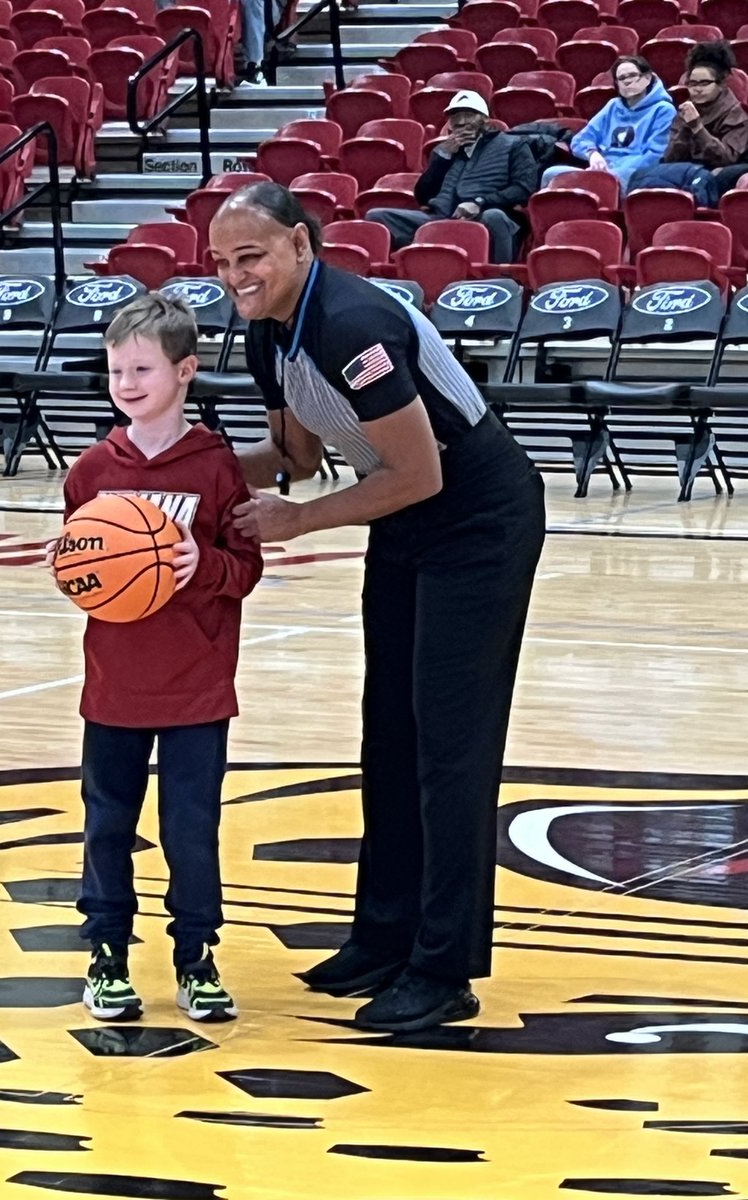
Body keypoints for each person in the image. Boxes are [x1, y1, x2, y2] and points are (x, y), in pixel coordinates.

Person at [208, 183, 546, 1034]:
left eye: (249, 257)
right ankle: (384, 935)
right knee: (388, 732)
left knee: (449, 745)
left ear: (299, 245)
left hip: (475, 515)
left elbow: (421, 473)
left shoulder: (352, 324)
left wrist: (301, 521)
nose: (233, 276)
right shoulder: (266, 333)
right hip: (400, 515)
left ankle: (443, 968)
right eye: (220, 262)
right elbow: (295, 452)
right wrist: (177, 466)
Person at [58, 294, 264, 1024]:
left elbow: (245, 569)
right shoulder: (90, 472)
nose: (128, 382)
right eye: (117, 369)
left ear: (185, 371)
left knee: (190, 828)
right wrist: (85, 569)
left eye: (143, 368)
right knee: (106, 823)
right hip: (114, 682)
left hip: (196, 688)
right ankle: (107, 951)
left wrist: (197, 563)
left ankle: (196, 955)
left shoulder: (216, 469)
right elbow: (82, 573)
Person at [366, 90, 539, 263]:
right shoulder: (443, 151)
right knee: (376, 216)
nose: (462, 122)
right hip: (441, 216)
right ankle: (413, 267)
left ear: (485, 119)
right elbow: (423, 196)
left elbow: (524, 188)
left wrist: (480, 202)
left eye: (469, 115)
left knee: (494, 216)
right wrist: (443, 157)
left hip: (484, 214)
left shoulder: (513, 145)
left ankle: (500, 277)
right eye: (456, 116)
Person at [628, 42, 748, 201]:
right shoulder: (685, 111)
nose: (697, 89)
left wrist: (697, 127)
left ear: (721, 85)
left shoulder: (737, 115)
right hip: (687, 173)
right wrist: (685, 128)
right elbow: (671, 158)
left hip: (720, 176)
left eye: (705, 83)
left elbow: (725, 159)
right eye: (692, 83)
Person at [542, 55, 675, 190]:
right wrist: (593, 154)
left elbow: (655, 155)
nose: (627, 81)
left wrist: (613, 173)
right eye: (622, 78)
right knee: (551, 174)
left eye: (633, 75)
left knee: (610, 183)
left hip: (636, 174)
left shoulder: (664, 109)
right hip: (602, 170)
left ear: (647, 78)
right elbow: (580, 139)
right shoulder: (613, 106)